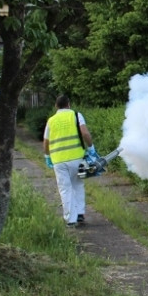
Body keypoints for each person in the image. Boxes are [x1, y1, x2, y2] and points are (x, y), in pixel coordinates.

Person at [43, 94, 95, 227]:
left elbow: (46, 141)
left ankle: (71, 219)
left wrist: (47, 156)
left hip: (58, 161)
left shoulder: (51, 121)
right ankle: (80, 214)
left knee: (65, 189)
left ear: (56, 106)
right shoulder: (76, 115)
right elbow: (85, 133)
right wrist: (91, 148)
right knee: (77, 185)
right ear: (69, 104)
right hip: (76, 158)